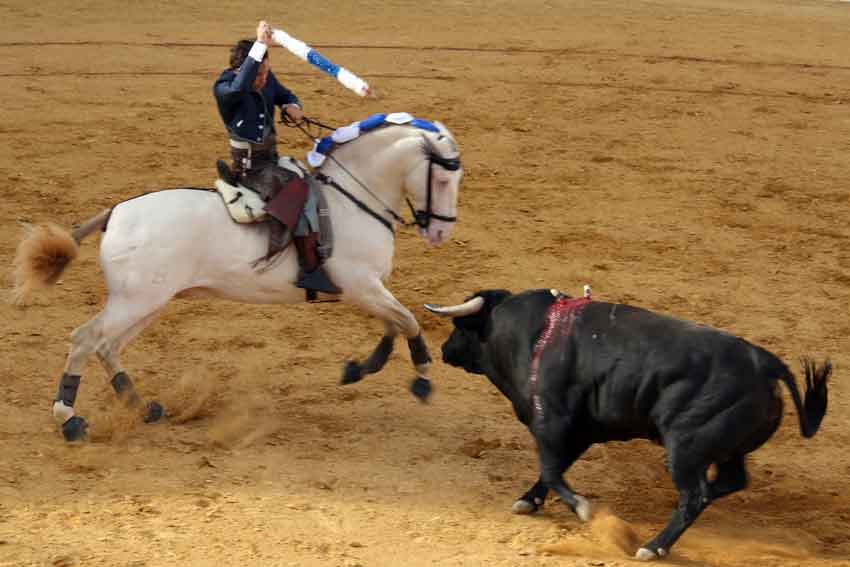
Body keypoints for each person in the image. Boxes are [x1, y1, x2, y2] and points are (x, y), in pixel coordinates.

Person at [213, 20, 339, 295]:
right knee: (299, 191)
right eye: (259, 73)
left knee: (310, 180)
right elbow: (242, 85)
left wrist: (293, 105)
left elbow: (284, 94)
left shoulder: (265, 76)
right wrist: (260, 44)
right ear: (241, 70)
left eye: (266, 72)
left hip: (270, 158)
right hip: (250, 168)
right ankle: (309, 269)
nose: (263, 79)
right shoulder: (225, 88)